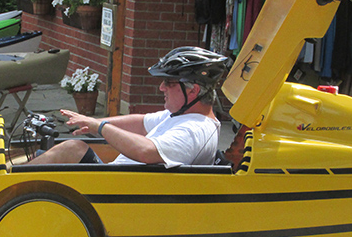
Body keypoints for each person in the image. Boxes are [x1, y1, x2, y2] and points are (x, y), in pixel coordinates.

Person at [26, 46, 230, 167]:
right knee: (43, 153)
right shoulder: (182, 115)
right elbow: (140, 123)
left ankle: (8, 189)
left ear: (193, 91)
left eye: (169, 82)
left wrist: (100, 127)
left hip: (121, 195)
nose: (161, 87)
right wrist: (93, 122)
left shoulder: (194, 130)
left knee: (72, 149)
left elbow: (145, 151)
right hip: (121, 183)